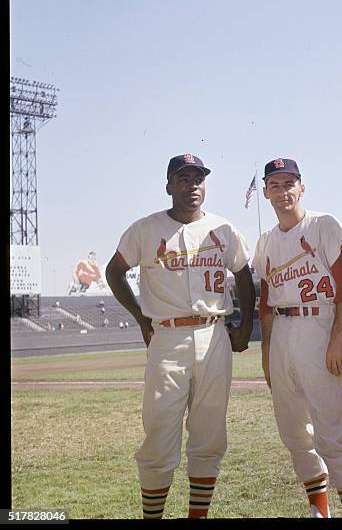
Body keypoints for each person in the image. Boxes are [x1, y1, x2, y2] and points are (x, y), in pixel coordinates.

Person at [106, 153, 255, 520]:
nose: (193, 186)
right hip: (168, 338)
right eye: (184, 179)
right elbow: (114, 272)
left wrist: (245, 324)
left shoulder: (223, 228)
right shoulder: (145, 228)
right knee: (159, 431)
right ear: (169, 186)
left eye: (198, 179)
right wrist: (142, 319)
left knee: (209, 433)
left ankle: (197, 516)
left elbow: (245, 274)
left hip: (213, 333)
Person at [252, 158, 342, 518]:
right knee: (294, 431)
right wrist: (268, 351)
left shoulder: (323, 226)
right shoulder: (266, 241)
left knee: (331, 431)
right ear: (266, 192)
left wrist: (339, 338)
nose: (282, 191)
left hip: (319, 323)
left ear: (302, 187)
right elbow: (266, 303)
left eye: (289, 183)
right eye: (275, 185)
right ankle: (320, 509)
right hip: (283, 332)